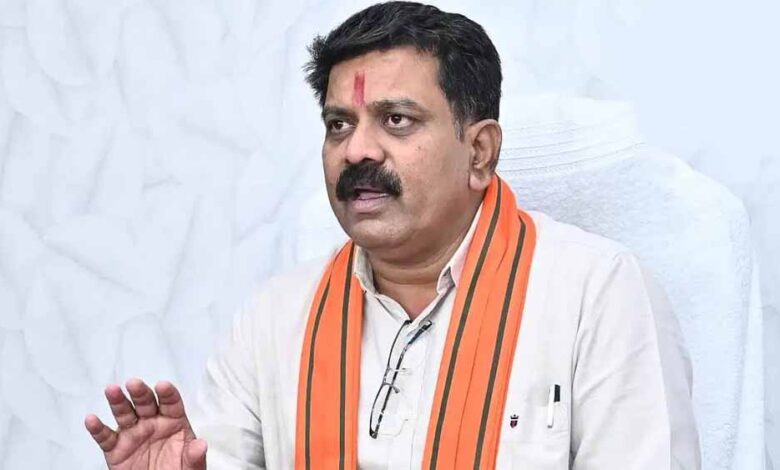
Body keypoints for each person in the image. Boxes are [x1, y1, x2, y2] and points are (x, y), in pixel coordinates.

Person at [84, 2, 700, 468]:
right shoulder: (275, 319)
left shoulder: (596, 293)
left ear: (479, 152)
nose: (357, 150)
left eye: (396, 120)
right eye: (338, 124)